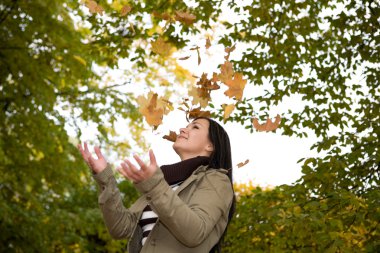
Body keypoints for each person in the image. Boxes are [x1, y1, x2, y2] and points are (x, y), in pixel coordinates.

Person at [78, 117, 235, 253]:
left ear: (210, 146)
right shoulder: (163, 184)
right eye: (186, 126)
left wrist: (153, 186)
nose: (183, 129)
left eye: (195, 127)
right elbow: (121, 228)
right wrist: (104, 177)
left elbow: (194, 233)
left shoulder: (216, 180)